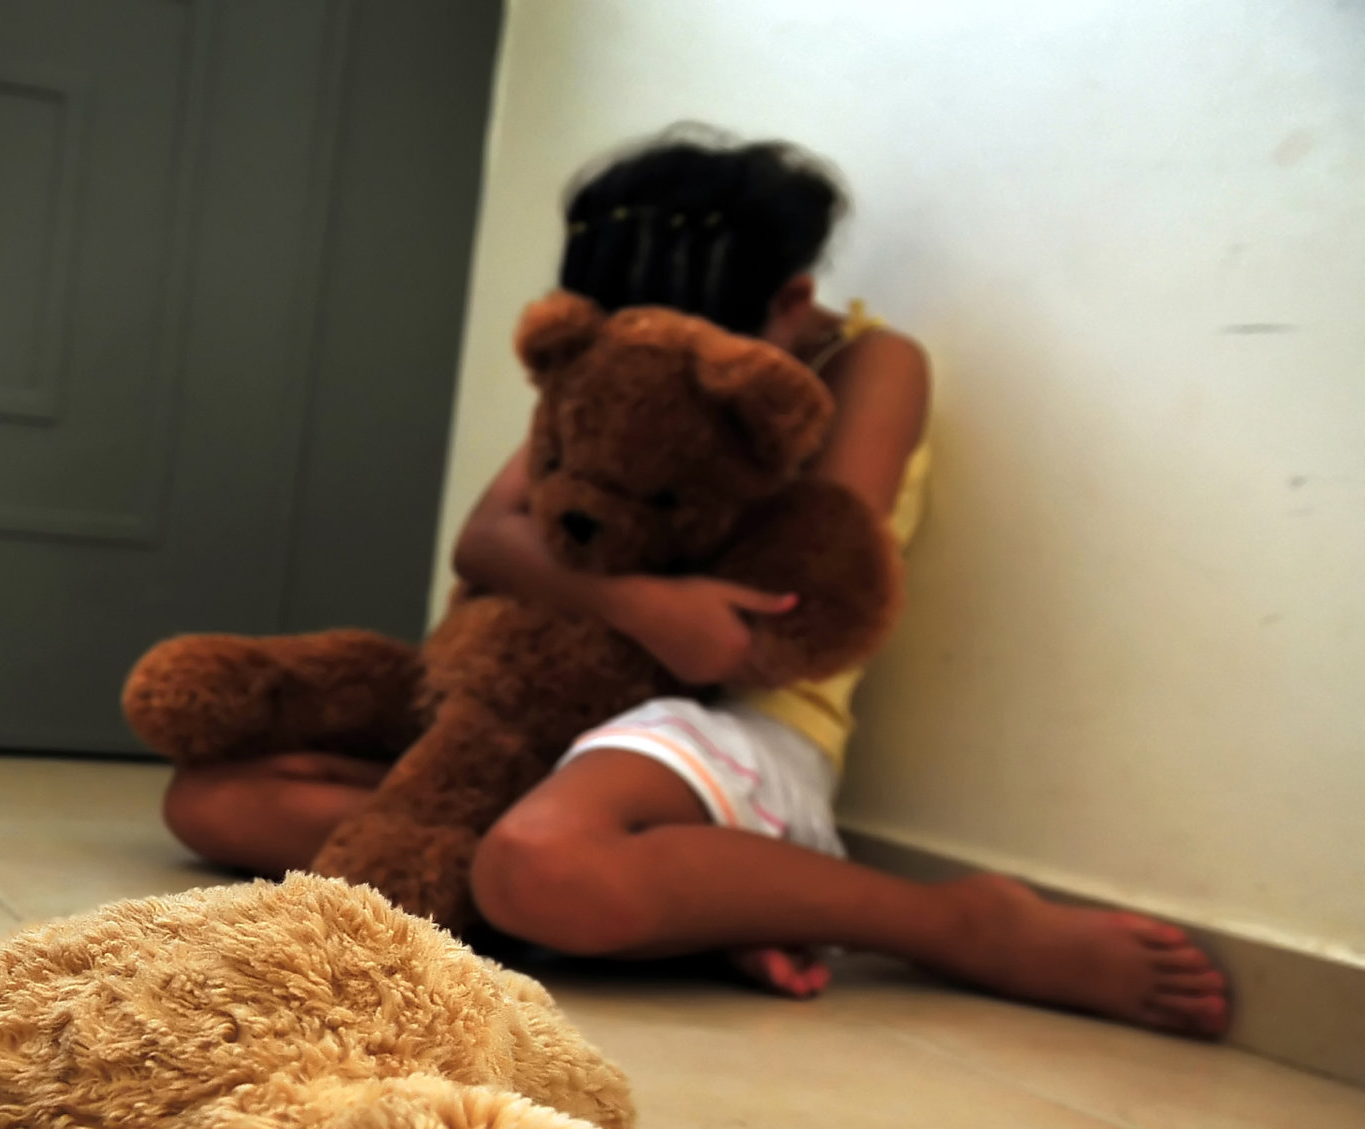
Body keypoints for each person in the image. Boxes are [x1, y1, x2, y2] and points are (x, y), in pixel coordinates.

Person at [159, 127, 1228, 1038]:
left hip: (732, 718)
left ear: (791, 302)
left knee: (540, 866)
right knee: (211, 800)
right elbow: (487, 537)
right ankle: (695, 906)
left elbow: (786, 595)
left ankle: (954, 921)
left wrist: (636, 589)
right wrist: (631, 600)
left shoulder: (870, 364)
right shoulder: (605, 365)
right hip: (530, 704)